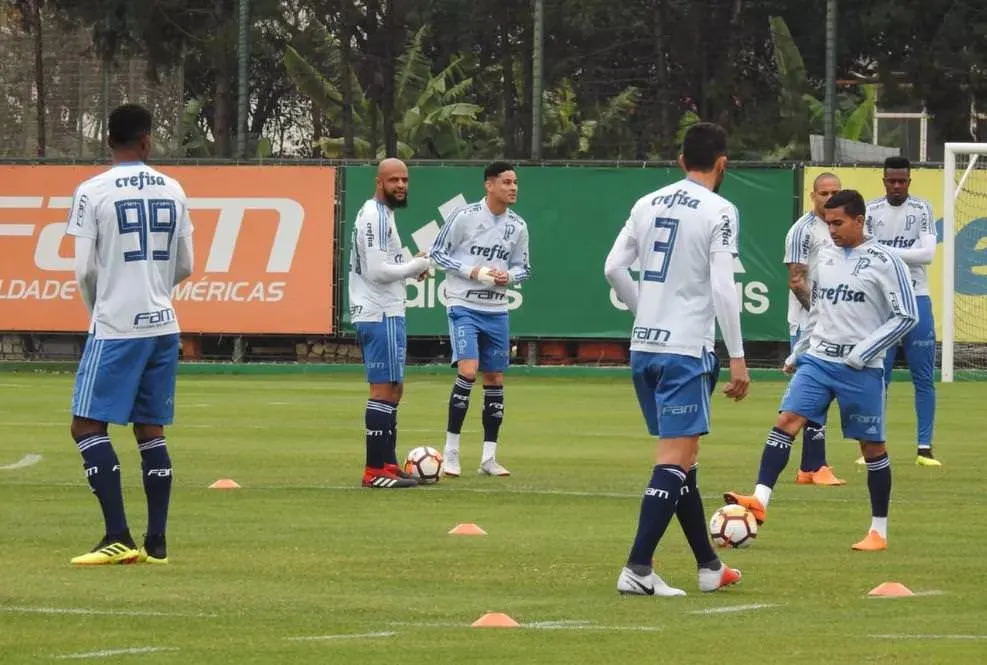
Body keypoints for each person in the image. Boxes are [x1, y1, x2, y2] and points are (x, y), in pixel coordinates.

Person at [724, 189, 918, 551]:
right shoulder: (825, 256)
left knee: (872, 446)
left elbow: (907, 316)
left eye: (839, 223)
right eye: (828, 223)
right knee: (786, 421)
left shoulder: (887, 261)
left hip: (861, 369)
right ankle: (759, 501)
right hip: (818, 360)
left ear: (860, 220)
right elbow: (819, 310)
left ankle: (879, 531)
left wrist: (864, 353)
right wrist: (799, 351)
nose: (832, 230)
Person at [604, 121, 750, 596]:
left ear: (682, 160)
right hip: (686, 349)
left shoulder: (647, 202)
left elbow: (612, 267)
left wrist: (642, 306)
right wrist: (739, 358)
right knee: (673, 459)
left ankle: (709, 567)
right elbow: (725, 287)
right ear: (722, 163)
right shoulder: (721, 209)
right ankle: (638, 568)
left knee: (684, 460)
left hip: (644, 346)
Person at [66, 104, 194, 565]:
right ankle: (156, 542)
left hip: (116, 325)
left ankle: (116, 535)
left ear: (108, 141)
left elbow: (84, 269)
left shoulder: (92, 191)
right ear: (147, 141)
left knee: (86, 424)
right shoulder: (174, 188)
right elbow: (187, 264)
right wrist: (155, 290)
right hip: (164, 323)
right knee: (150, 429)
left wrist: (99, 309)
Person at [429, 161, 531, 478]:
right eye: (506, 182)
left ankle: (489, 458)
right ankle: (451, 452)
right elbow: (437, 253)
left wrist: (507, 276)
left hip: (497, 311)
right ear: (489, 185)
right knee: (468, 371)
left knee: (495, 379)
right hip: (463, 305)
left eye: (515, 182)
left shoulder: (518, 226)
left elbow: (524, 268)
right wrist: (472, 271)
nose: (512, 187)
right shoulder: (465, 216)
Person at [349, 158, 432, 489]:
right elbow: (377, 271)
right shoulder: (374, 216)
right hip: (376, 311)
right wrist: (415, 266)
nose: (401, 185)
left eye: (405, 180)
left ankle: (388, 463)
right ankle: (373, 471)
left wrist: (413, 264)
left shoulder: (386, 216)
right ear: (378, 182)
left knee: (395, 389)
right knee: (383, 388)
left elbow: (390, 264)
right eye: (394, 180)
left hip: (389, 310)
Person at [864, 157, 940, 467]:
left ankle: (924, 448)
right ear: (884, 181)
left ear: (909, 181)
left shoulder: (922, 209)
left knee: (923, 377)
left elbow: (928, 255)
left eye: (902, 181)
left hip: (916, 297)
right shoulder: (871, 211)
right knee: (878, 376)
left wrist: (886, 253)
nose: (897, 186)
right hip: (883, 301)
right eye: (891, 181)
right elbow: (865, 253)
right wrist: (899, 256)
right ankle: (872, 444)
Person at [783, 172, 845, 486]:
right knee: (812, 393)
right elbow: (797, 281)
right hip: (807, 324)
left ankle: (811, 466)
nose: (830, 197)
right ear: (813, 196)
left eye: (835, 191)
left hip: (830, 323)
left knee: (820, 394)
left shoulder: (842, 226)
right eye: (824, 193)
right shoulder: (802, 231)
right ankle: (814, 465)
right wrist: (821, 313)